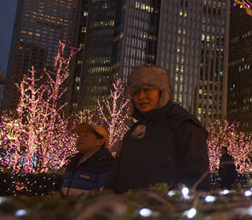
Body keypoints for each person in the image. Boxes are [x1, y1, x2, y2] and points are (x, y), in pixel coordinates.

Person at [105, 65, 210, 193]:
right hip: (126, 204)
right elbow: (117, 175)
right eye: (136, 92)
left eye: (147, 90)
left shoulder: (183, 126)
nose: (141, 96)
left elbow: (198, 181)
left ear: (162, 92)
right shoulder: (134, 130)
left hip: (165, 204)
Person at [62, 123, 114, 196]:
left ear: (100, 142)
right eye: (79, 136)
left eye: (85, 136)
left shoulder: (105, 164)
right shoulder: (74, 162)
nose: (80, 139)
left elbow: (106, 194)